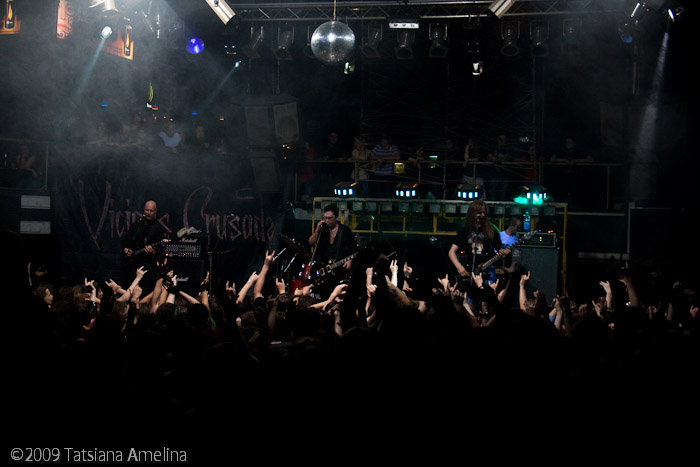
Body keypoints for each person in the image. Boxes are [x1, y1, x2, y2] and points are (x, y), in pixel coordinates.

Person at [448, 199, 509, 287]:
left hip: (488, 267)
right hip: (471, 268)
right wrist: (459, 266)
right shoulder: (465, 230)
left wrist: (504, 253)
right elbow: (451, 252)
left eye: (484, 212)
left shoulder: (492, 229)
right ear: (473, 213)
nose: (483, 215)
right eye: (480, 212)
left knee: (489, 294)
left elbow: (500, 249)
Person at [307, 204, 357, 296]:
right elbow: (311, 241)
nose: (327, 221)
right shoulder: (323, 230)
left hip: (337, 269)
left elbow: (353, 249)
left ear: (336, 217)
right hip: (322, 267)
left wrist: (350, 260)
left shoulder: (344, 231)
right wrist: (317, 230)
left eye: (329, 218)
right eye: (325, 218)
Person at [121, 200, 167, 295]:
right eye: (147, 210)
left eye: (151, 211)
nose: (149, 213)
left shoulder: (159, 228)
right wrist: (126, 249)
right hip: (132, 264)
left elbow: (162, 249)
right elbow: (126, 240)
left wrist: (153, 252)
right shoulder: (137, 225)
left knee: (144, 290)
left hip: (148, 265)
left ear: (155, 211)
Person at [370, 134, 400, 198]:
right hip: (378, 174)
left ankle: (387, 207)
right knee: (379, 193)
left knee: (388, 193)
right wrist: (378, 159)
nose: (383, 141)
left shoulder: (393, 147)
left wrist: (384, 159)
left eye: (385, 139)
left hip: (388, 174)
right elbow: (371, 156)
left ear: (389, 140)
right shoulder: (377, 147)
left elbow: (397, 157)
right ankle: (379, 207)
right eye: (382, 139)